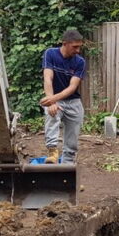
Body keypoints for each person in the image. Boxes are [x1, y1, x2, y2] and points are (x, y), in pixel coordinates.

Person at [41, 29, 86, 164]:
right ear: (64, 43)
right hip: (55, 98)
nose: (78, 50)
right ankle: (52, 151)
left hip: (74, 102)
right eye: (75, 47)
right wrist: (52, 102)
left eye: (79, 47)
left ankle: (67, 164)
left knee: (72, 137)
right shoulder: (51, 54)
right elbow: (48, 78)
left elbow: (73, 87)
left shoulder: (80, 62)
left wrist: (52, 99)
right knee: (52, 113)